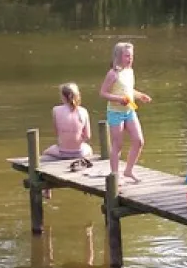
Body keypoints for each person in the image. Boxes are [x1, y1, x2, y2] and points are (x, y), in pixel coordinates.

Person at [99, 42, 151, 183]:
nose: (130, 59)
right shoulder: (113, 74)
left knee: (139, 141)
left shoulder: (130, 71)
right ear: (118, 56)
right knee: (118, 144)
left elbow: (128, 90)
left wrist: (140, 95)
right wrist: (118, 99)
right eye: (127, 56)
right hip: (115, 112)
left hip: (129, 111)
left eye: (132, 56)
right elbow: (103, 93)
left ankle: (128, 171)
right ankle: (115, 176)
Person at [43, 83, 94, 162]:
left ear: (63, 96)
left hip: (61, 152)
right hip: (80, 152)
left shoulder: (56, 110)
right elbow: (87, 136)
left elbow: (56, 133)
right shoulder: (83, 111)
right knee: (89, 149)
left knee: (45, 152)